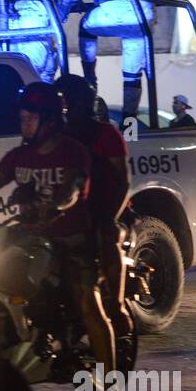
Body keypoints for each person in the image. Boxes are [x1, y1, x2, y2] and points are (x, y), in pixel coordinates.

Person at [0, 83, 115, 373]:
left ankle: (111, 385)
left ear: (51, 121)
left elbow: (73, 189)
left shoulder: (73, 152)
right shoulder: (18, 157)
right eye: (22, 118)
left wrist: (57, 204)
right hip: (30, 239)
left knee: (89, 306)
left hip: (71, 240)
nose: (24, 124)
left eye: (30, 118)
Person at [56, 73, 133, 339]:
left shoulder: (105, 134)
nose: (66, 109)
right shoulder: (54, 136)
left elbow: (123, 181)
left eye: (69, 102)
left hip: (103, 207)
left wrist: (110, 216)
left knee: (107, 237)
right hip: (67, 211)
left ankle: (118, 306)